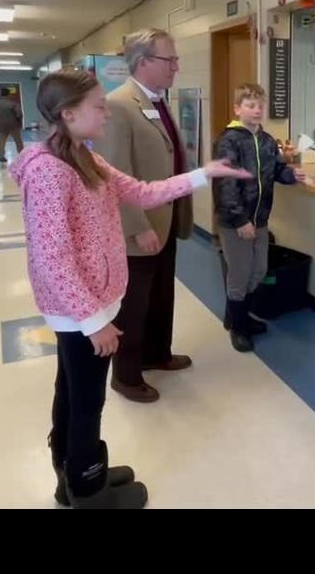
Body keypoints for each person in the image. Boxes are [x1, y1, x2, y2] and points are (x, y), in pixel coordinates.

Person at [10, 69, 249, 509]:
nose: (106, 113)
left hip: (95, 300)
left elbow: (141, 192)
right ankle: (86, 487)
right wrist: (94, 322)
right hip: (81, 309)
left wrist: (203, 174)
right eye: (98, 106)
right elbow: (52, 259)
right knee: (87, 400)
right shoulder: (49, 173)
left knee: (71, 390)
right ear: (68, 114)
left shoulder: (84, 157)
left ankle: (73, 474)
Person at [97, 28, 192, 403]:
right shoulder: (119, 105)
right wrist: (136, 228)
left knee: (161, 293)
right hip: (140, 226)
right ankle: (126, 375)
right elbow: (113, 175)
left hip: (164, 220)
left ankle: (156, 353)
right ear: (143, 62)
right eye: (170, 60)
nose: (176, 67)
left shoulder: (157, 101)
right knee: (134, 303)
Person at [212, 83, 307, 352]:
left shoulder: (265, 140)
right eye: (250, 105)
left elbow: (277, 170)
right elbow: (225, 184)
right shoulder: (229, 140)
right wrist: (240, 219)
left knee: (258, 271)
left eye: (260, 106)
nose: (256, 110)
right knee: (240, 275)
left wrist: (291, 175)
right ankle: (239, 328)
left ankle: (237, 315)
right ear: (237, 109)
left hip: (260, 219)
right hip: (235, 221)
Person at [0, 88, 24, 163]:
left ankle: (1, 156)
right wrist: (19, 123)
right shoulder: (13, 104)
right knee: (18, 141)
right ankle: (22, 155)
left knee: (1, 141)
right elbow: (19, 115)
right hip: (13, 125)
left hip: (1, 125)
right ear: (9, 94)